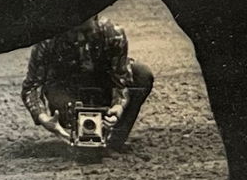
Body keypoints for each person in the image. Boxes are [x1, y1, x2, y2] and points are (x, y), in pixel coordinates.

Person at [21, 17, 154, 152]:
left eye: (87, 31)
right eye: (73, 32)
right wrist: (44, 118)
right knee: (79, 137)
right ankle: (76, 137)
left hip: (103, 87)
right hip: (68, 90)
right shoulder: (48, 39)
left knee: (141, 73)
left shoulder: (113, 34)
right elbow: (31, 87)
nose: (80, 38)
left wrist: (118, 106)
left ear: (95, 19)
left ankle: (114, 140)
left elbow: (121, 78)